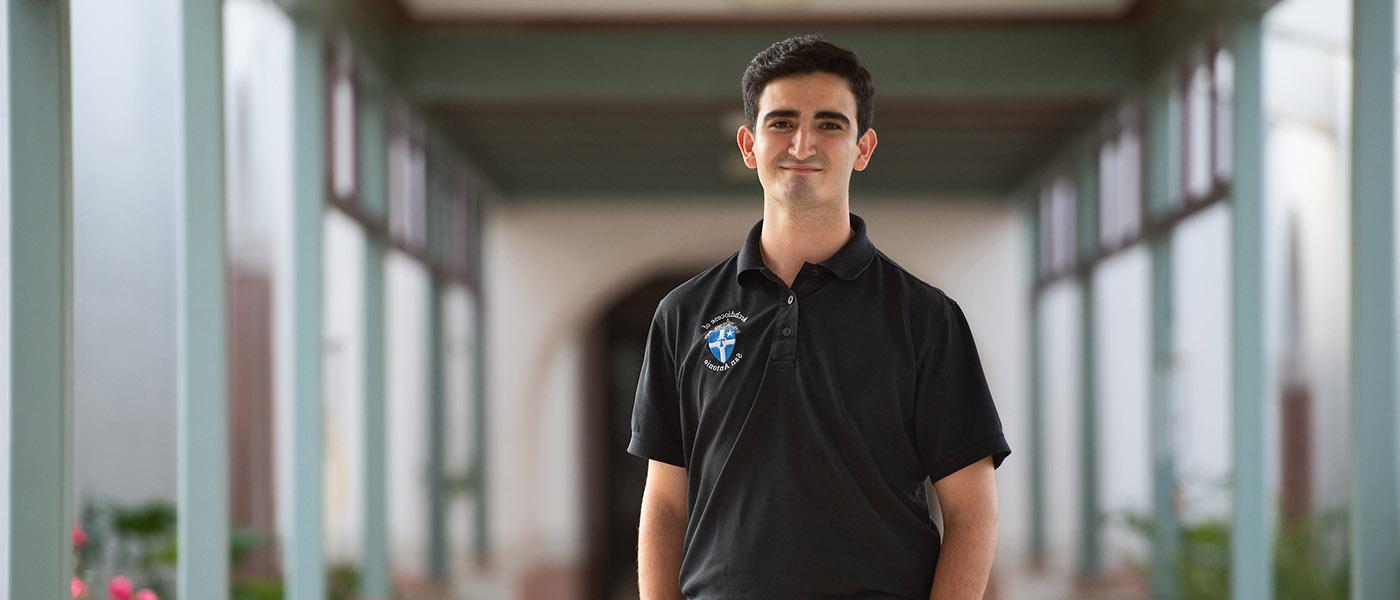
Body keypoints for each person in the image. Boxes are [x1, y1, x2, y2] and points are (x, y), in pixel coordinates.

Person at [628, 34, 1012, 600]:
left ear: (864, 148)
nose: (802, 143)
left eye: (830, 124)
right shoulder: (682, 315)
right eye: (781, 122)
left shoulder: (926, 319)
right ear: (748, 144)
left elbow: (972, 510)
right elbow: (665, 500)